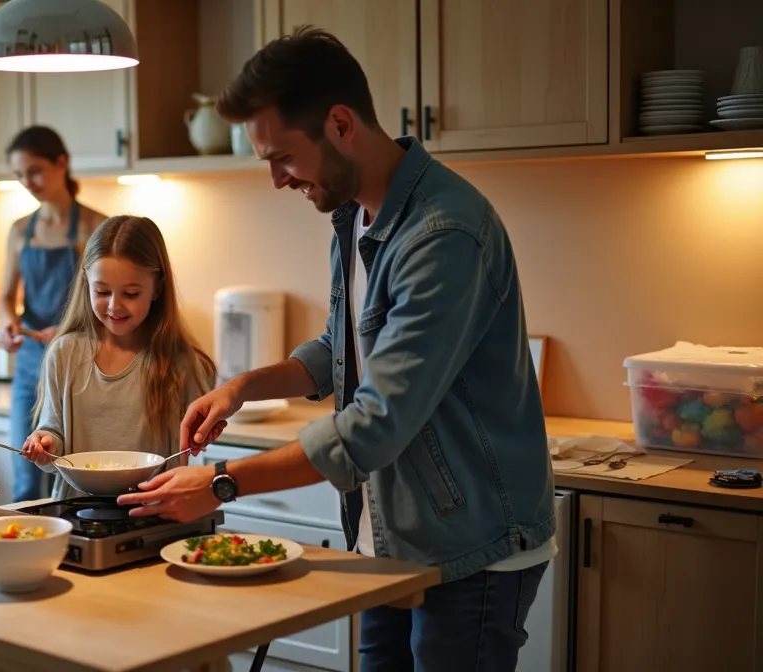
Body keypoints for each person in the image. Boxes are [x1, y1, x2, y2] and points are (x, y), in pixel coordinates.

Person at [117, 27, 556, 670]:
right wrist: (241, 388)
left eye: (283, 157)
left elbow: (374, 427)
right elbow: (340, 346)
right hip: (390, 531)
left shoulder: (444, 235)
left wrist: (222, 482)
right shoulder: (353, 215)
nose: (274, 179)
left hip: (473, 546)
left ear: (341, 124)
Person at [19, 215, 223, 500]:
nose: (115, 306)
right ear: (86, 281)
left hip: (154, 513)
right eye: (102, 291)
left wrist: (206, 432)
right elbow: (53, 432)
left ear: (157, 289)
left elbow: (194, 442)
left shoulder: (182, 364)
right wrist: (46, 444)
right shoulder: (65, 353)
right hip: (77, 512)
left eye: (131, 293)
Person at [0, 126, 108, 502]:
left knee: (74, 474)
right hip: (30, 362)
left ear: (62, 163)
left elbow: (107, 302)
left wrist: (72, 326)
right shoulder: (19, 230)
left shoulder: (96, 227)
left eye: (34, 170)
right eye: (19, 175)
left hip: (79, 360)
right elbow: (6, 297)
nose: (28, 182)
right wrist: (5, 322)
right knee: (26, 473)